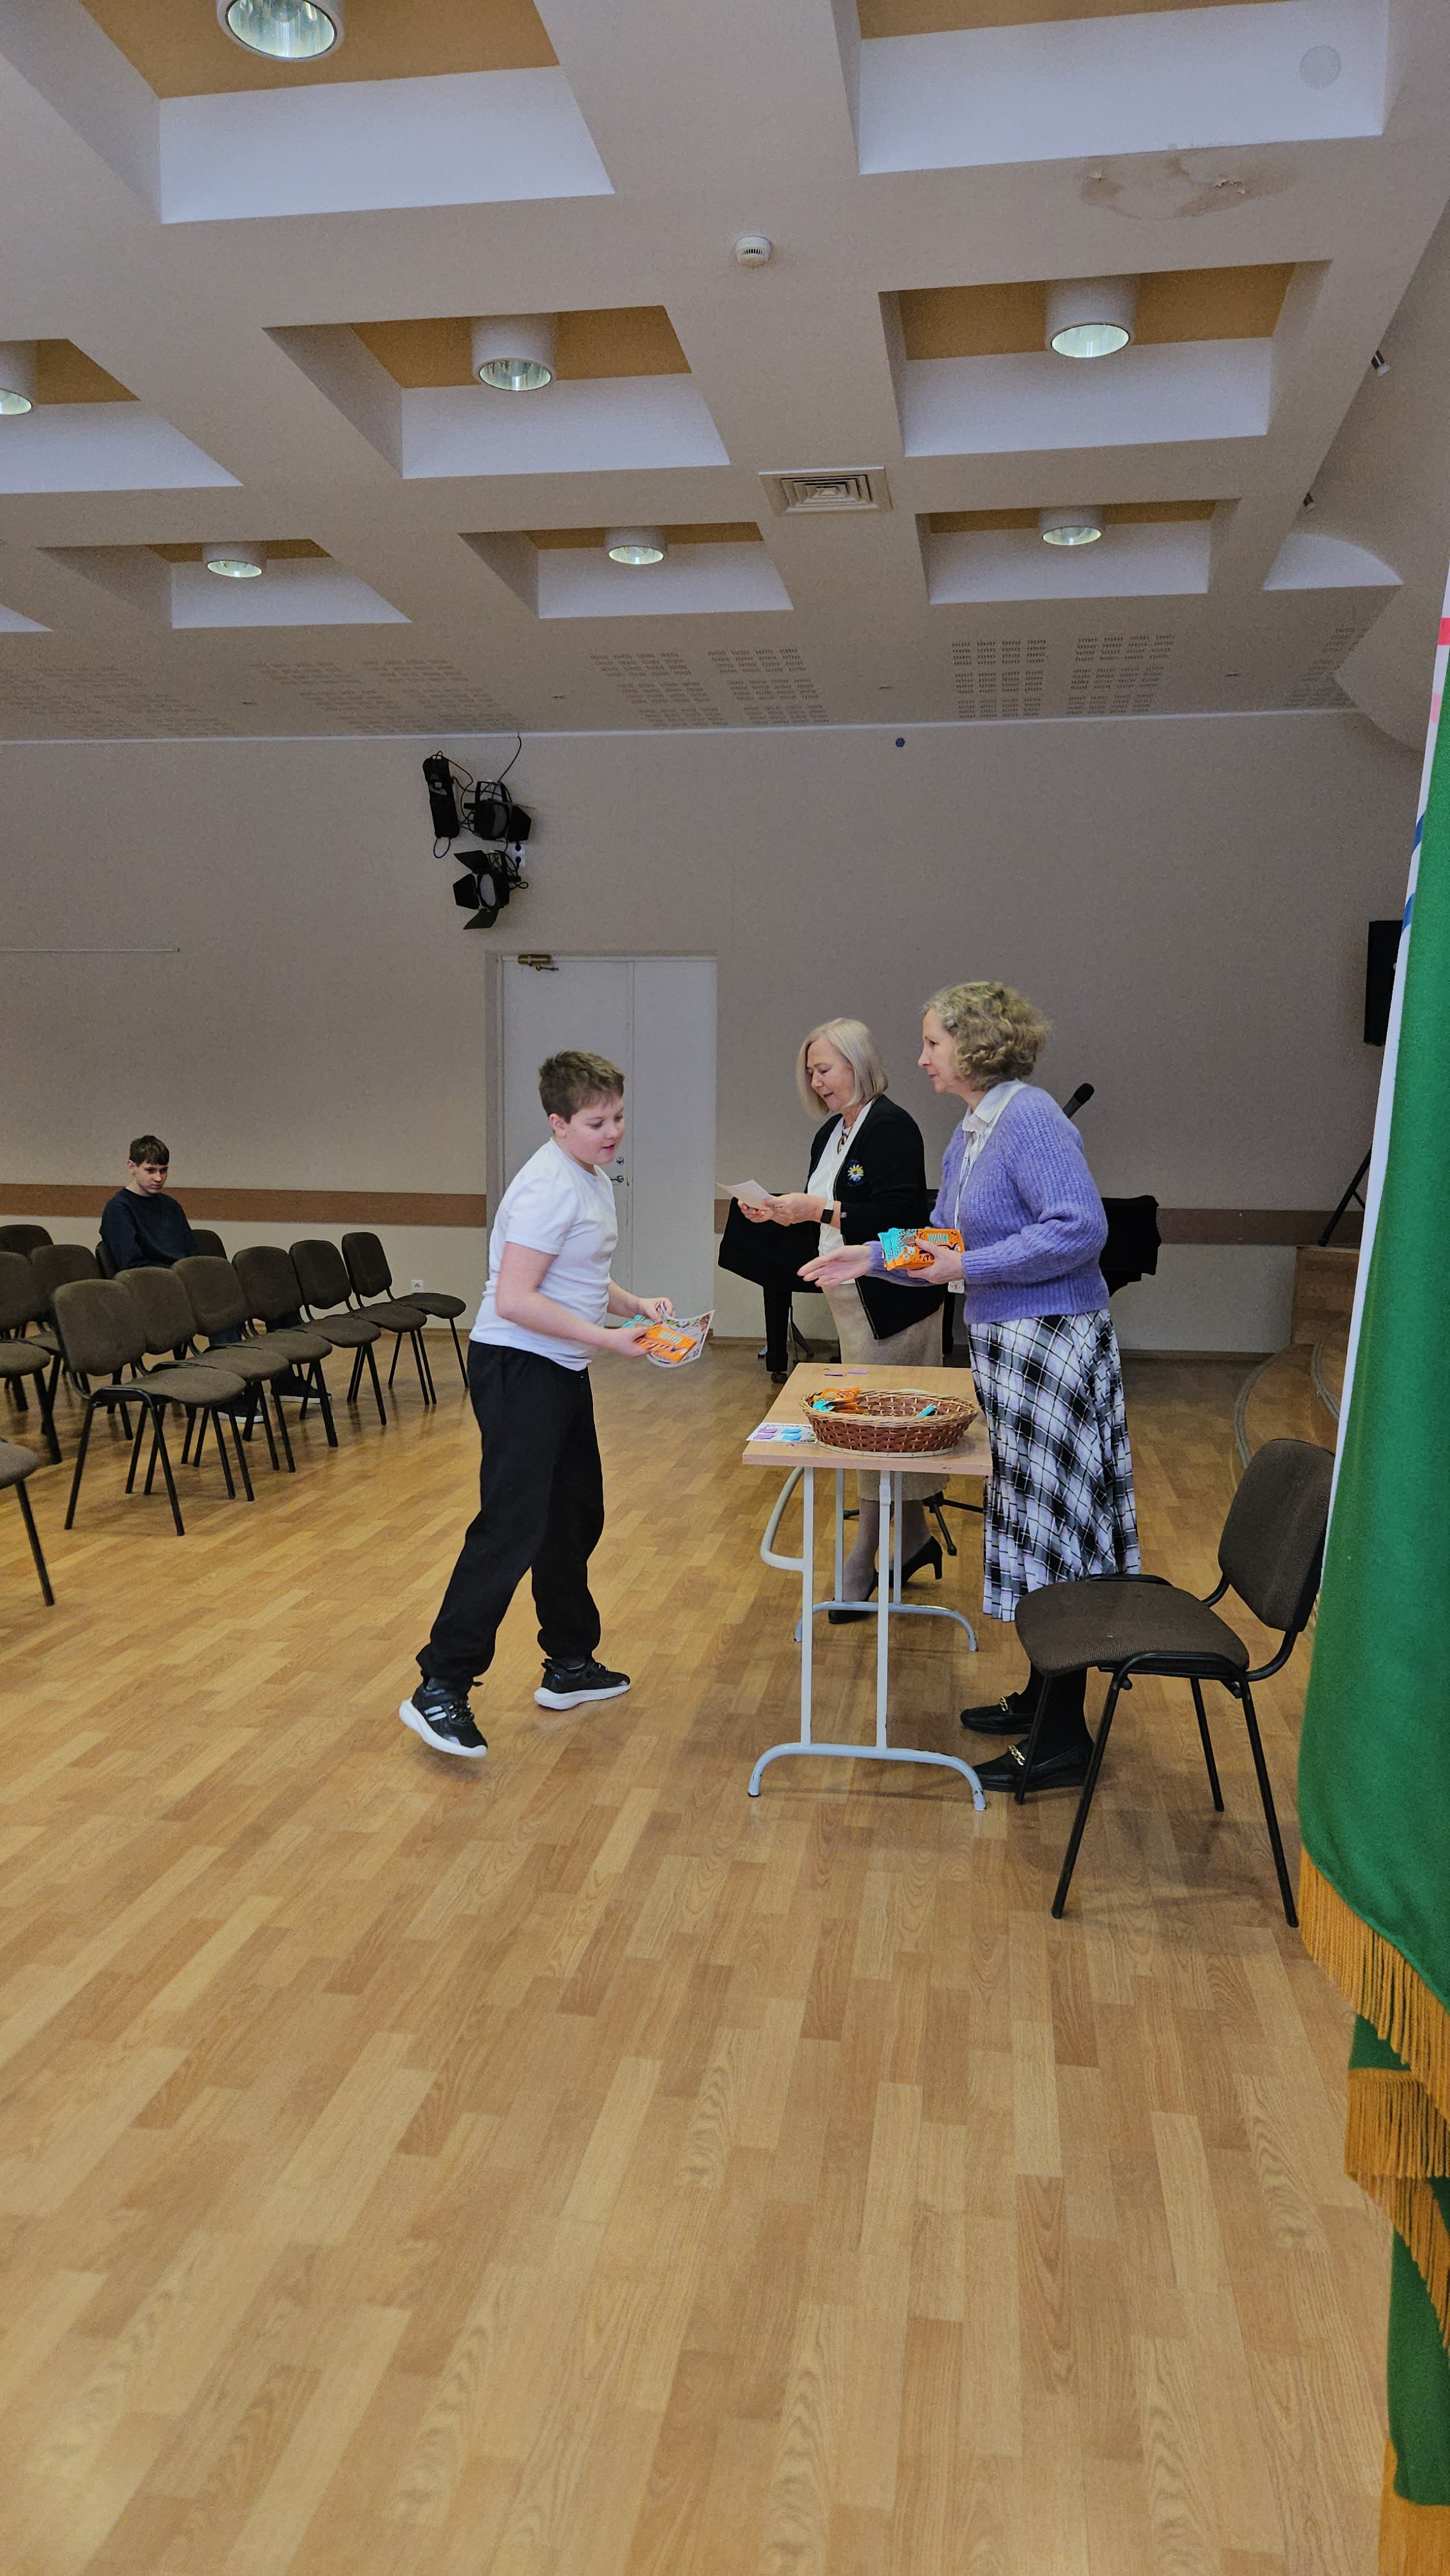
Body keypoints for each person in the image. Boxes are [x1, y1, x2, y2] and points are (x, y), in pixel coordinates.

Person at [802, 981, 1139, 1790]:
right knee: (1027, 1519)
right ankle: (1040, 1694)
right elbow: (942, 1237)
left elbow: (1078, 1228)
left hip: (1051, 1343)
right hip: (1009, 1345)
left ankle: (1061, 1737)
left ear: (976, 1043)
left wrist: (970, 1263)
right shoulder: (974, 1127)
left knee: (1055, 1532)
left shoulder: (1029, 1117)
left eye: (932, 1043)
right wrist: (870, 1255)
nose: (920, 1058)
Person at [400, 1049, 675, 1761]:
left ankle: (569, 1662)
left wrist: (631, 1303)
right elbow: (517, 1299)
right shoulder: (546, 1187)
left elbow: (578, 1271)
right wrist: (607, 1340)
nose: (612, 1132)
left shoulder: (590, 1176)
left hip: (557, 1366)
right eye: (596, 1122)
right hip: (518, 1367)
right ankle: (441, 1684)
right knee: (511, 1527)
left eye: (618, 1117)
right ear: (557, 1122)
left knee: (572, 1515)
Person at [744, 1018, 945, 1613]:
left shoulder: (892, 1126)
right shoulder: (832, 1133)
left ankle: (863, 1559)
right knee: (888, 1435)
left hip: (893, 1301)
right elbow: (830, 1216)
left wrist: (820, 1209)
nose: (816, 1081)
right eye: (810, 1071)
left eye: (825, 1069)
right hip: (851, 1302)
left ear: (858, 1064)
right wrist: (781, 1212)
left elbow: (900, 1220)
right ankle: (915, 1541)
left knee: (876, 1435)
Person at [100, 1135, 196, 1270]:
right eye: (150, 1171)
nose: (159, 1178)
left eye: (163, 1171)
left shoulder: (172, 1206)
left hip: (182, 1275)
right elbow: (132, 1264)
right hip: (149, 1278)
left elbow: (193, 1255)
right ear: (132, 1167)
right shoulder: (118, 1209)